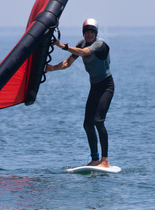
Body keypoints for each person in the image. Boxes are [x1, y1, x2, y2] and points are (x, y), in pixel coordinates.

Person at [45, 18, 114, 168]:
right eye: (86, 32)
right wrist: (52, 68)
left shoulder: (99, 45)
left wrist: (62, 46)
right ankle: (95, 159)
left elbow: (83, 53)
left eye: (91, 32)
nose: (89, 35)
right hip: (95, 87)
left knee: (98, 121)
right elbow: (67, 63)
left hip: (106, 86)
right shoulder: (80, 43)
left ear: (95, 32)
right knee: (87, 124)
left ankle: (105, 160)